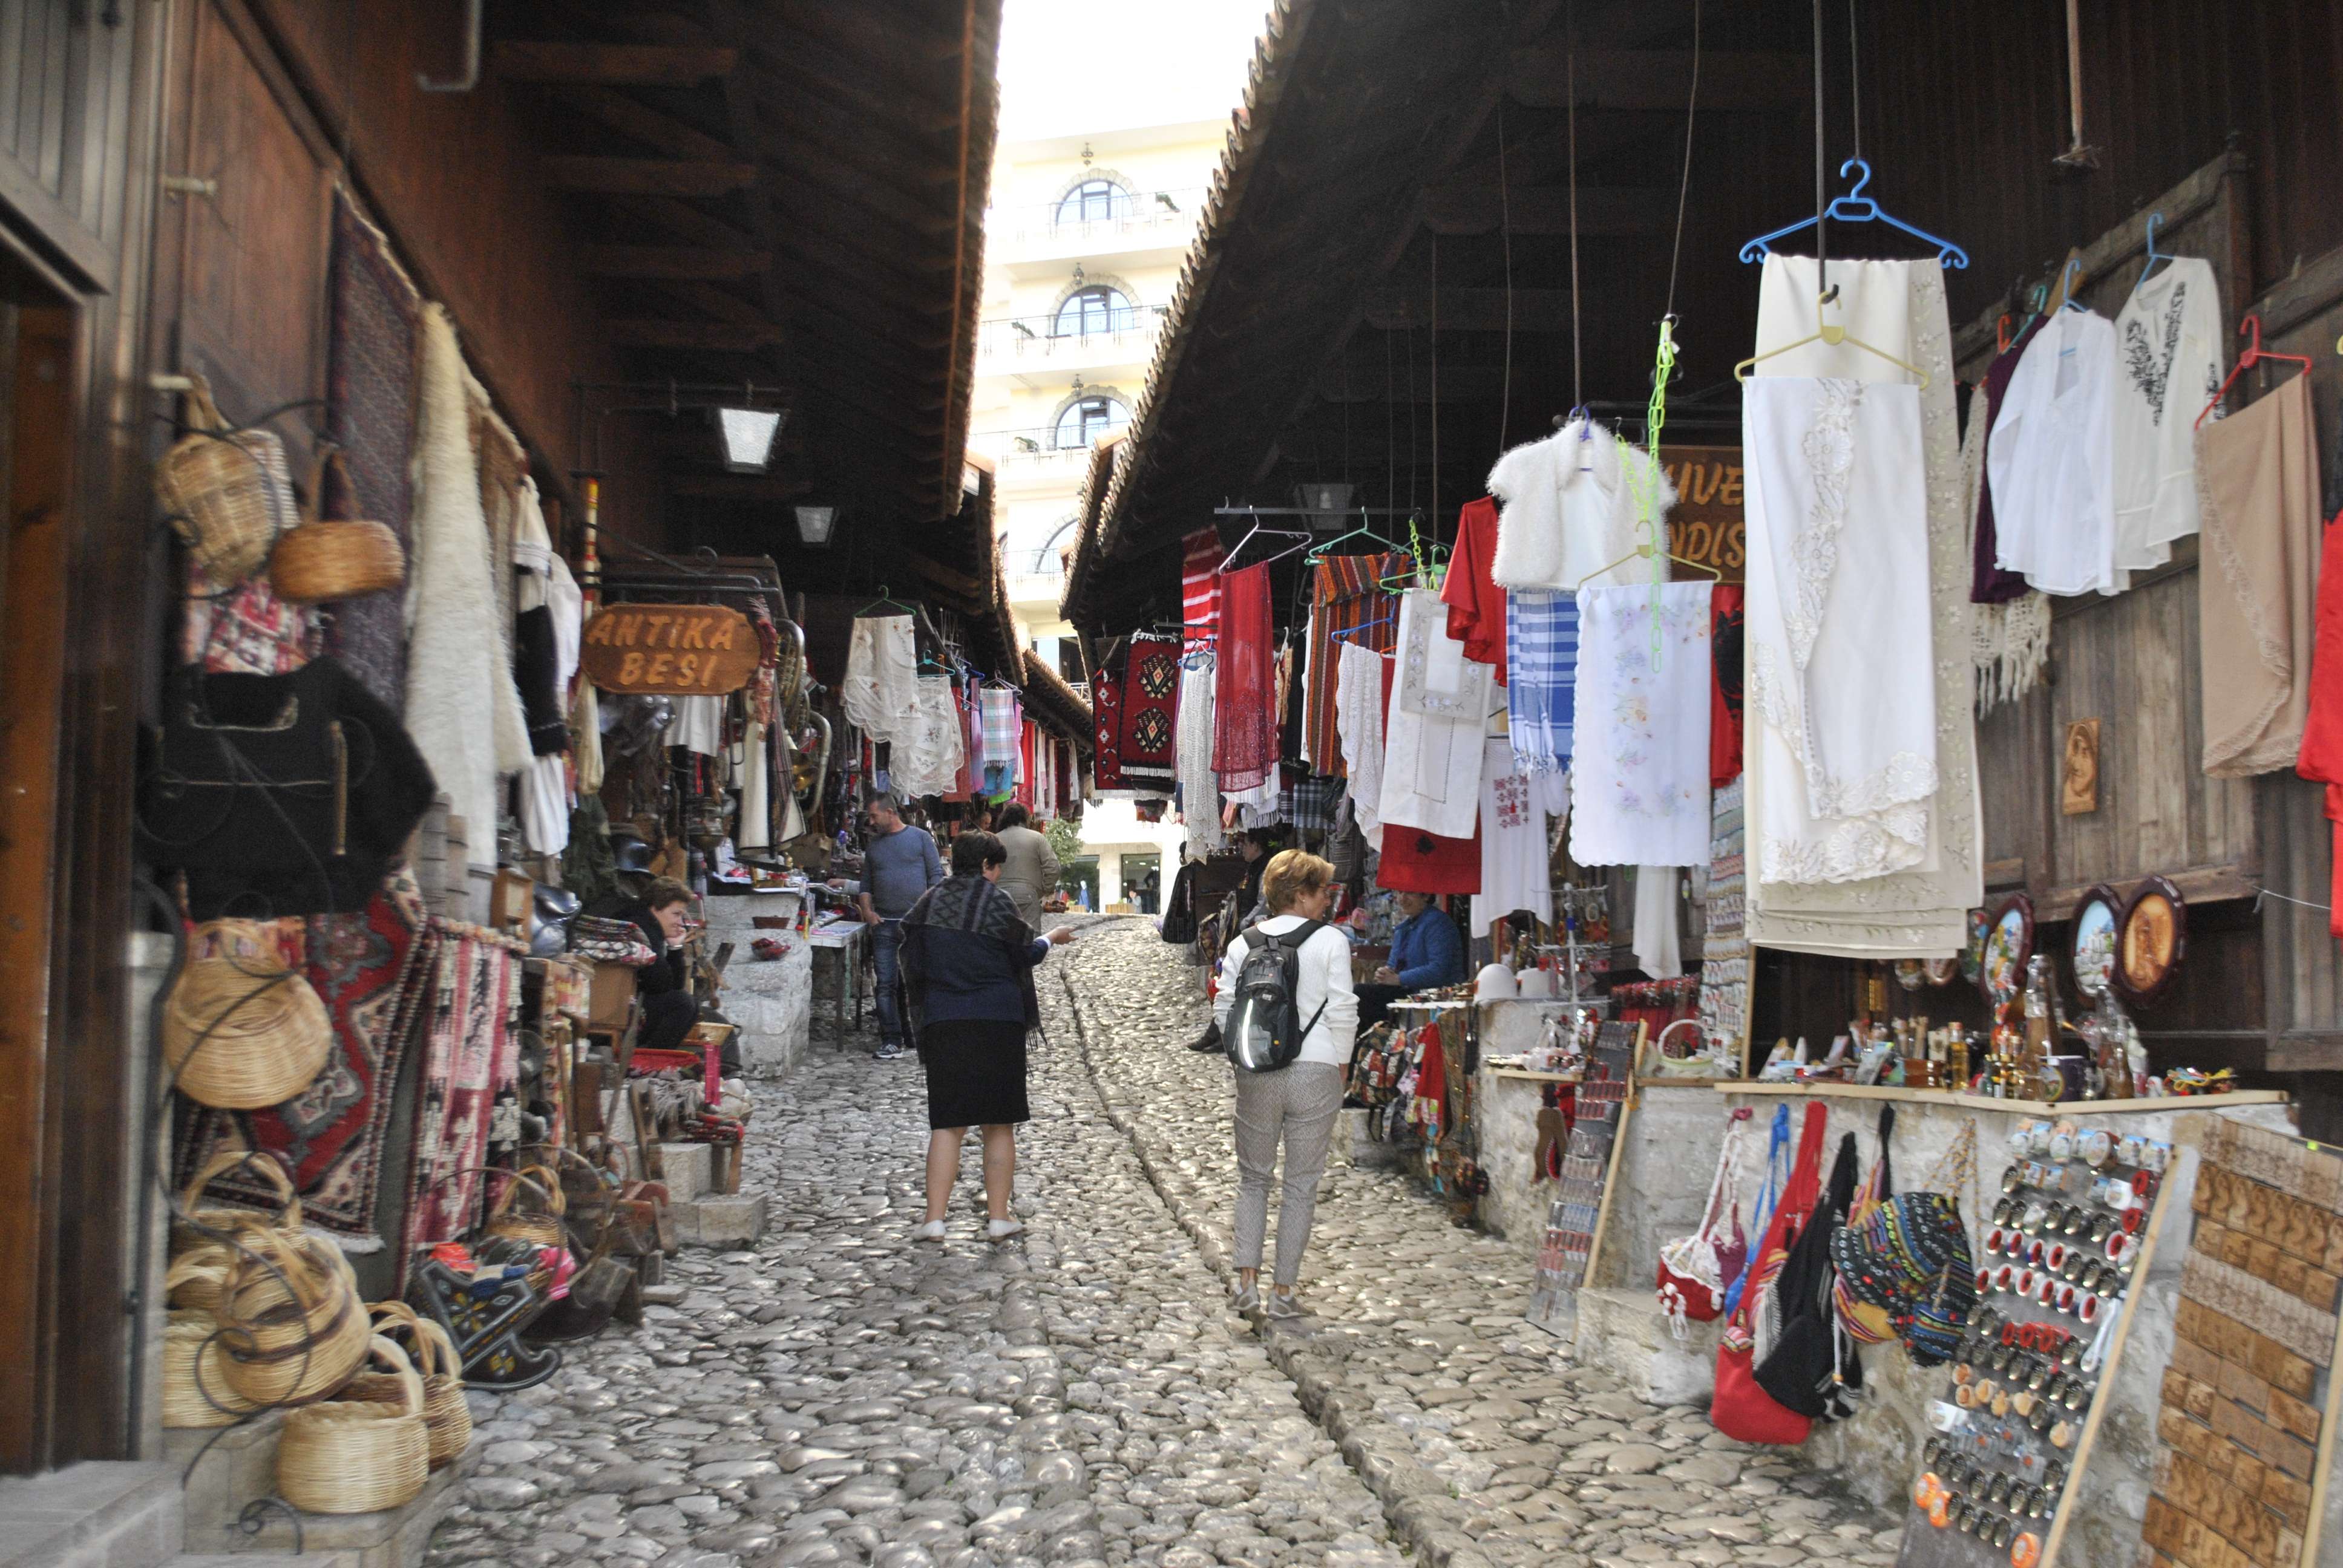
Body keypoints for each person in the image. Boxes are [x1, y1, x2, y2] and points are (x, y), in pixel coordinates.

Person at [899, 831, 1076, 1243]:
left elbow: (911, 956)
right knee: (998, 1124)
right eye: (996, 868)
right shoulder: (996, 903)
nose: (998, 876)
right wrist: (1050, 938)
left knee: (948, 1125)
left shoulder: (929, 904)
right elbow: (1025, 953)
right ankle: (999, 1218)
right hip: (998, 1022)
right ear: (985, 866)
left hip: (944, 1022)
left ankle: (934, 1220)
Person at [1212, 850, 1357, 1318]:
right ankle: (1283, 1293)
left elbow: (1224, 1008)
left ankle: (1246, 1285)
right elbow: (1343, 1009)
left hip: (1258, 1073)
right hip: (1317, 1070)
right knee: (1301, 1184)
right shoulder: (1331, 941)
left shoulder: (1244, 943)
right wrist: (1342, 1064)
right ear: (1301, 894)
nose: (1327, 900)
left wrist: (1242, 1060)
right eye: (1322, 892)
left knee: (1253, 1178)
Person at [857, 792, 943, 1061]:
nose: (871, 822)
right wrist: (868, 912)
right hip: (884, 925)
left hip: (915, 926)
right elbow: (866, 884)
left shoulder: (920, 838)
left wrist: (927, 911)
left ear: (890, 812)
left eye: (874, 816)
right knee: (886, 984)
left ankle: (916, 1034)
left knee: (915, 983)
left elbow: (936, 876)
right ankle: (891, 1040)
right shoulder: (874, 847)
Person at [1354, 890, 1466, 1028]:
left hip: (1435, 995)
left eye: (1410, 894)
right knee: (1360, 995)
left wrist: (1398, 979)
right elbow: (1393, 966)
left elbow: (1439, 970)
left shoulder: (1438, 923)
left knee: (1363, 994)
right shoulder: (1403, 928)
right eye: (1400, 893)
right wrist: (1385, 974)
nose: (1402, 899)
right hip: (1409, 993)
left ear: (1426, 896)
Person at [621, 877, 700, 1055]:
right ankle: (650, 1061)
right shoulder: (642, 927)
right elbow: (660, 983)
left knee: (687, 1002)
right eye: (676, 914)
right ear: (655, 908)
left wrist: (675, 947)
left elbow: (674, 985)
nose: (680, 923)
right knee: (683, 1004)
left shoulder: (647, 925)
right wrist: (674, 951)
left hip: (629, 1002)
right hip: (620, 1008)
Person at [991, 802, 1060, 929]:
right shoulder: (1037, 838)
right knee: (1031, 937)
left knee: (1001, 936)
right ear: (1025, 819)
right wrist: (1045, 890)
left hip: (999, 895)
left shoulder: (994, 840)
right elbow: (1053, 868)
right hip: (1028, 895)